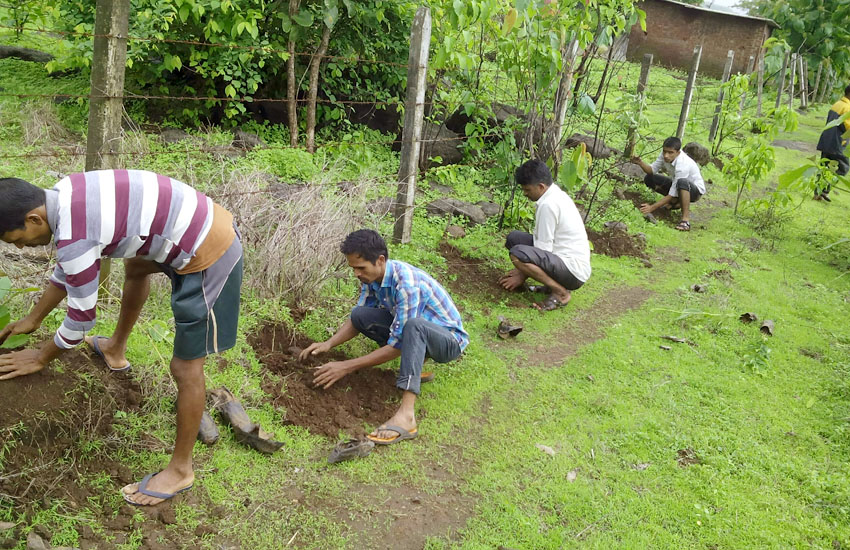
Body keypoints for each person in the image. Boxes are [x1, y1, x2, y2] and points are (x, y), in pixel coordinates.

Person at [0, 170, 243, 507]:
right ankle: (115, 349)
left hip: (210, 248)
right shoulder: (62, 194)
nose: (21, 247)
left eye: (16, 239)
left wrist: (40, 356)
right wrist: (33, 318)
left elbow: (81, 322)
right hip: (187, 224)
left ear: (34, 218)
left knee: (185, 368)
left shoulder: (75, 235)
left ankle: (181, 470)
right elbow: (68, 269)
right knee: (137, 266)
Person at [299, 229, 468, 445]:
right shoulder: (372, 279)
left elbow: (398, 344)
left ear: (380, 260)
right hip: (418, 333)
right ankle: (415, 369)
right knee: (360, 315)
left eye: (361, 268)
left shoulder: (406, 284)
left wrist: (345, 366)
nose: (356, 274)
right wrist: (328, 343)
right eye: (353, 268)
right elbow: (358, 318)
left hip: (448, 341)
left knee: (414, 327)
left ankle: (407, 415)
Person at [498, 159, 591, 311]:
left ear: (541, 186)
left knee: (517, 254)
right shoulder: (555, 194)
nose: (525, 194)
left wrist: (521, 274)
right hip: (563, 258)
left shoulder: (548, 205)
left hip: (573, 271)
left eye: (527, 190)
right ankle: (552, 286)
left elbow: (543, 250)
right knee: (514, 239)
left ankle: (560, 292)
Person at [630, 136, 705, 231]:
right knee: (649, 178)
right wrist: (640, 163)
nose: (666, 155)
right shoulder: (663, 155)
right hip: (677, 185)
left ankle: (685, 220)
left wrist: (652, 207)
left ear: (678, 153)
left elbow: (672, 192)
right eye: (665, 151)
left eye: (670, 153)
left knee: (682, 182)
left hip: (694, 192)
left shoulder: (683, 164)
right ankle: (675, 202)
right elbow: (652, 170)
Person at [814, 84, 850, 201]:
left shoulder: (837, 104)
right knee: (842, 167)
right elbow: (848, 127)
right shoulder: (847, 108)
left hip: (826, 141)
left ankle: (818, 193)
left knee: (824, 167)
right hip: (838, 144)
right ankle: (824, 190)